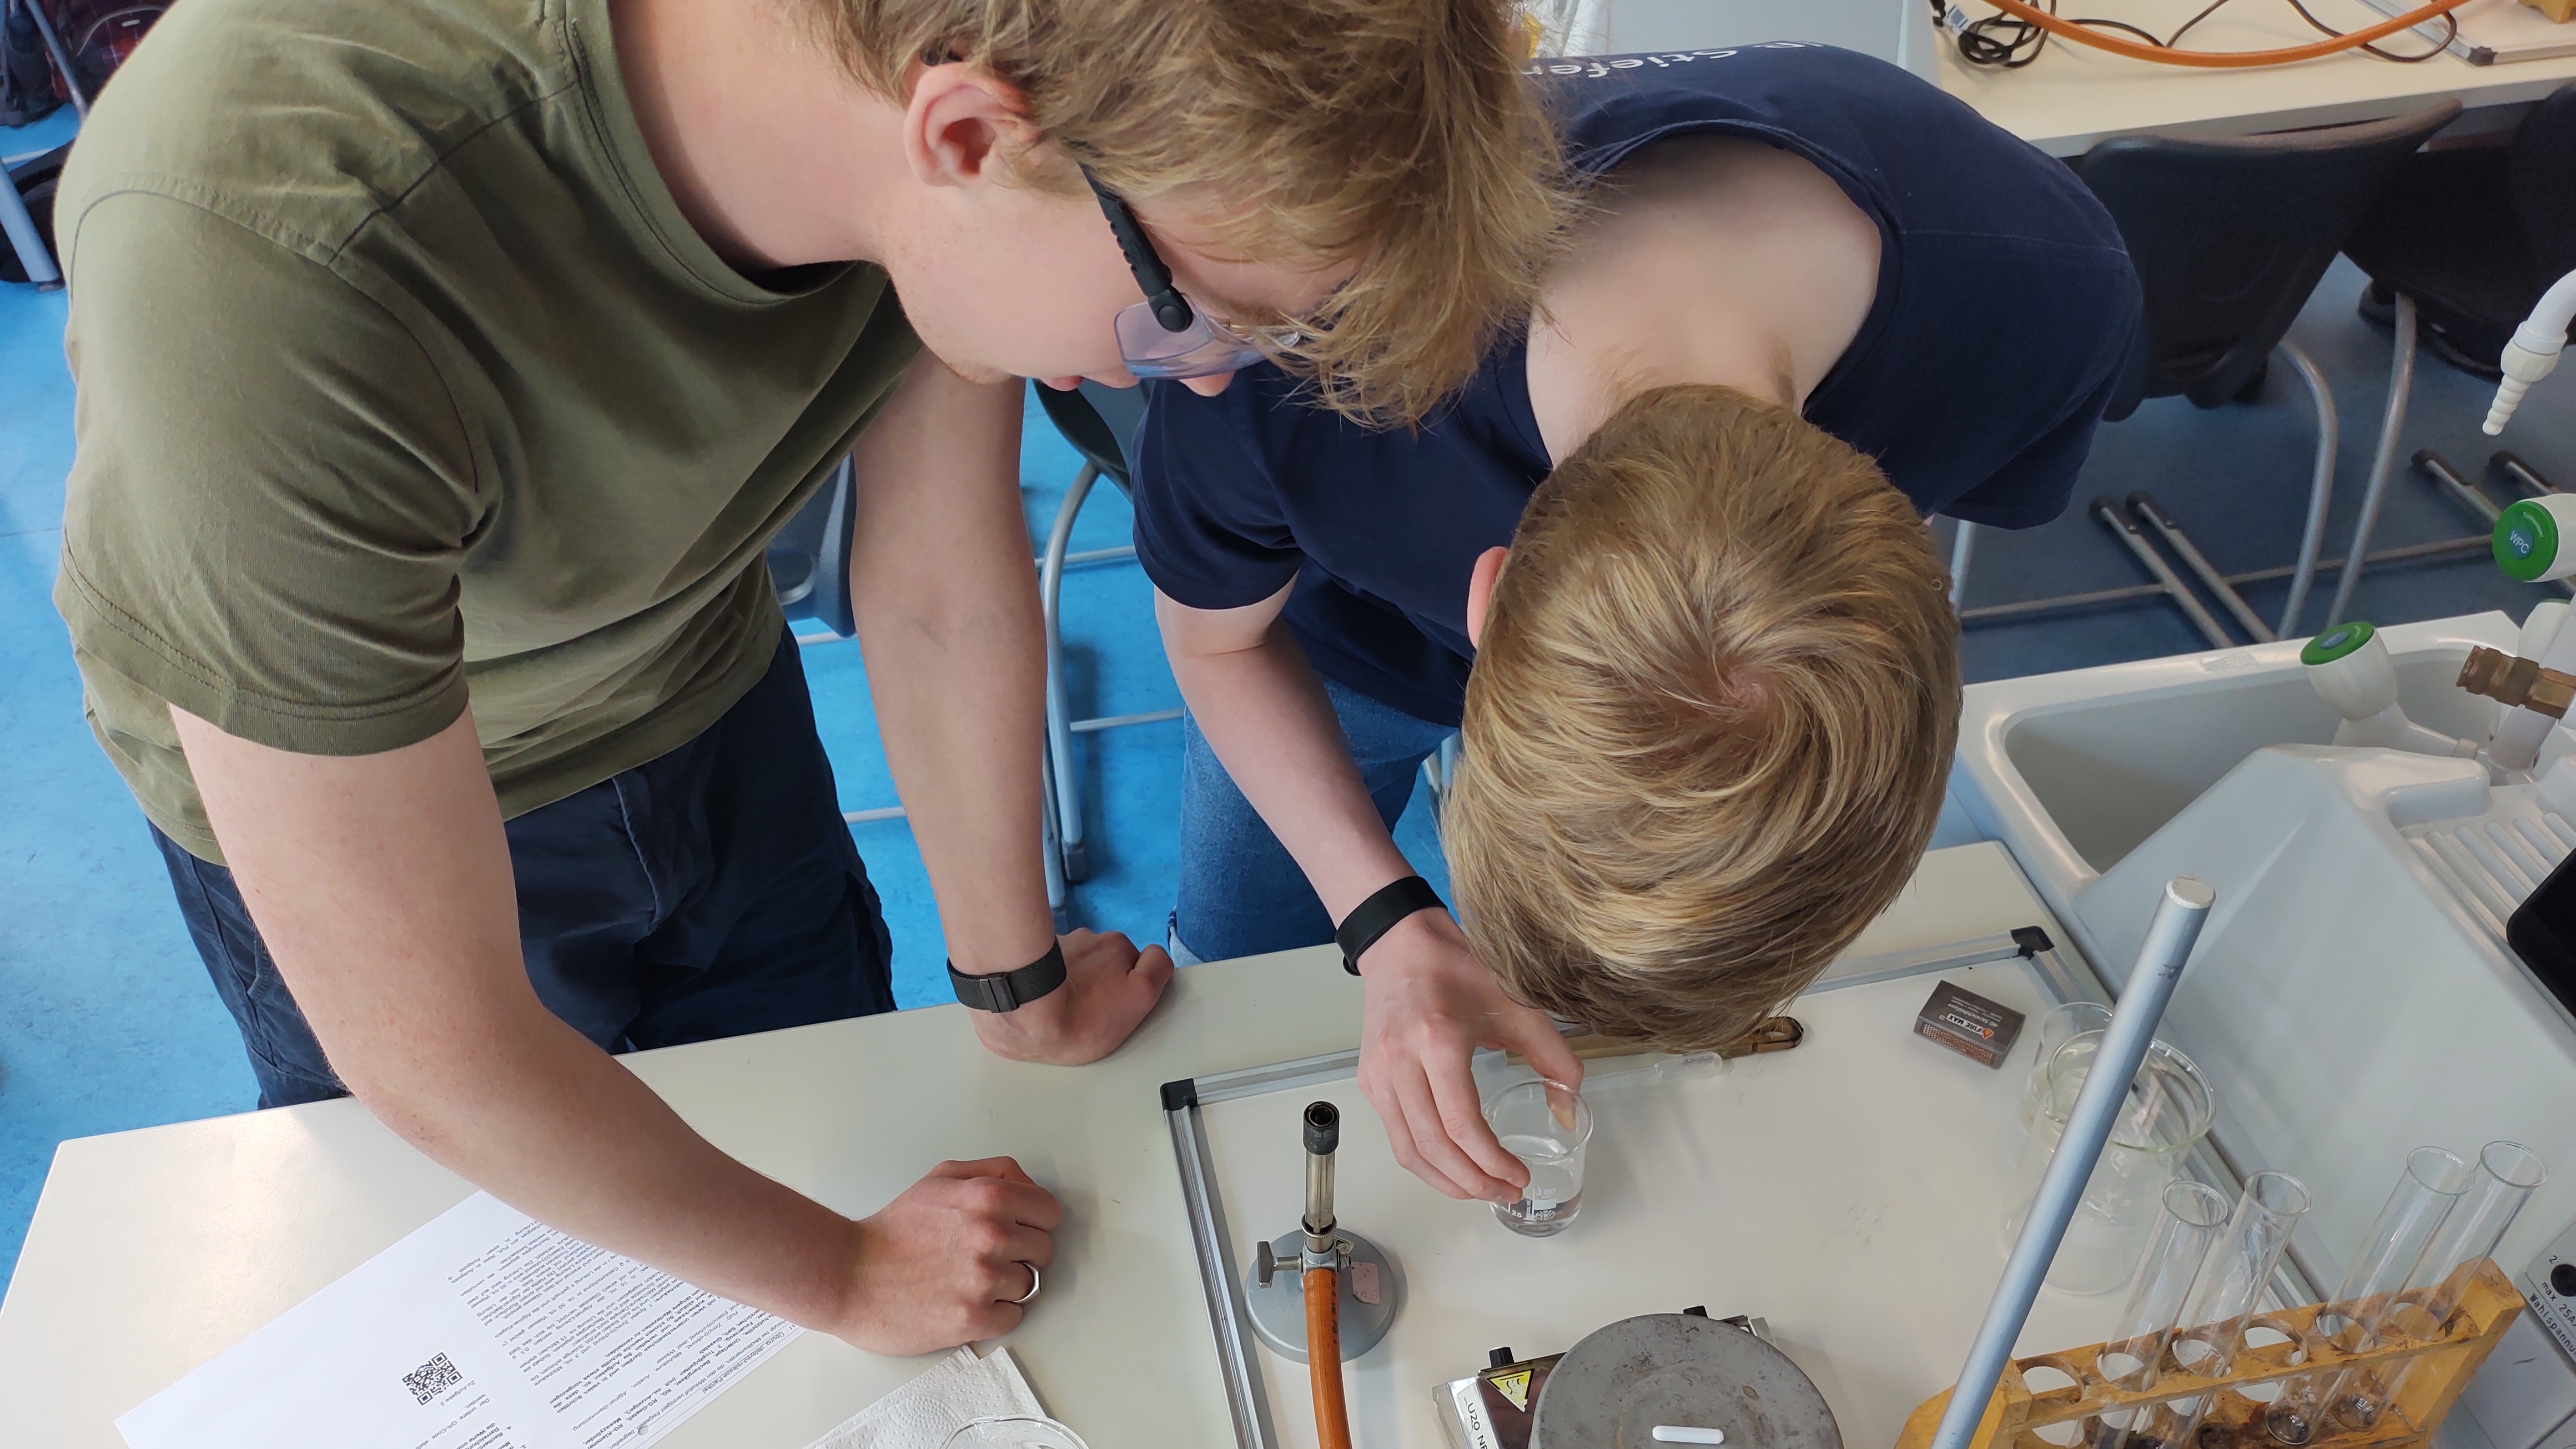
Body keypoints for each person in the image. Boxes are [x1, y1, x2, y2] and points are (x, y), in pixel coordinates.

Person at [50, 0, 1564, 1352]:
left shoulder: (966, 130)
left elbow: (938, 585)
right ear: (965, 137)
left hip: (703, 687)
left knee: (827, 1130)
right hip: (378, 792)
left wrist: (1012, 986)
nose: (1213, 376)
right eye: (1193, 323)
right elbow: (435, 1053)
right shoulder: (271, 251)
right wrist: (839, 1274)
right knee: (472, 1274)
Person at [1133, 42, 2143, 1204]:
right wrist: (1383, 914)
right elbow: (1216, 639)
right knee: (1235, 979)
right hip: (1322, 649)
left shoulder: (2048, 296)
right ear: (1485, 597)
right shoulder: (1287, 342)